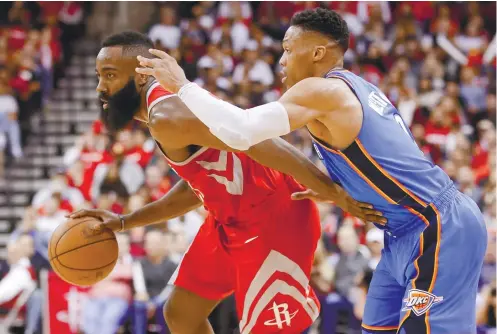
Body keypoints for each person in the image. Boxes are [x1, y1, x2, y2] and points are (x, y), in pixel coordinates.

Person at [138, 8, 488, 334]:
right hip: (401, 232)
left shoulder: (322, 90)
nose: (282, 60)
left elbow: (241, 131)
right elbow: (384, 159)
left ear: (318, 53)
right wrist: (339, 186)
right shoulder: (355, 87)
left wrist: (183, 86)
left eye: (289, 49)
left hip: (437, 224)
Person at [68, 31, 385, 334]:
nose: (100, 87)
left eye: (109, 75)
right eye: (99, 76)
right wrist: (125, 221)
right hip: (231, 218)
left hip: (271, 217)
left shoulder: (167, 114)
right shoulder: (161, 112)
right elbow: (201, 186)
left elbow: (259, 140)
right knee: (180, 314)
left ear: (139, 75)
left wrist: (332, 191)